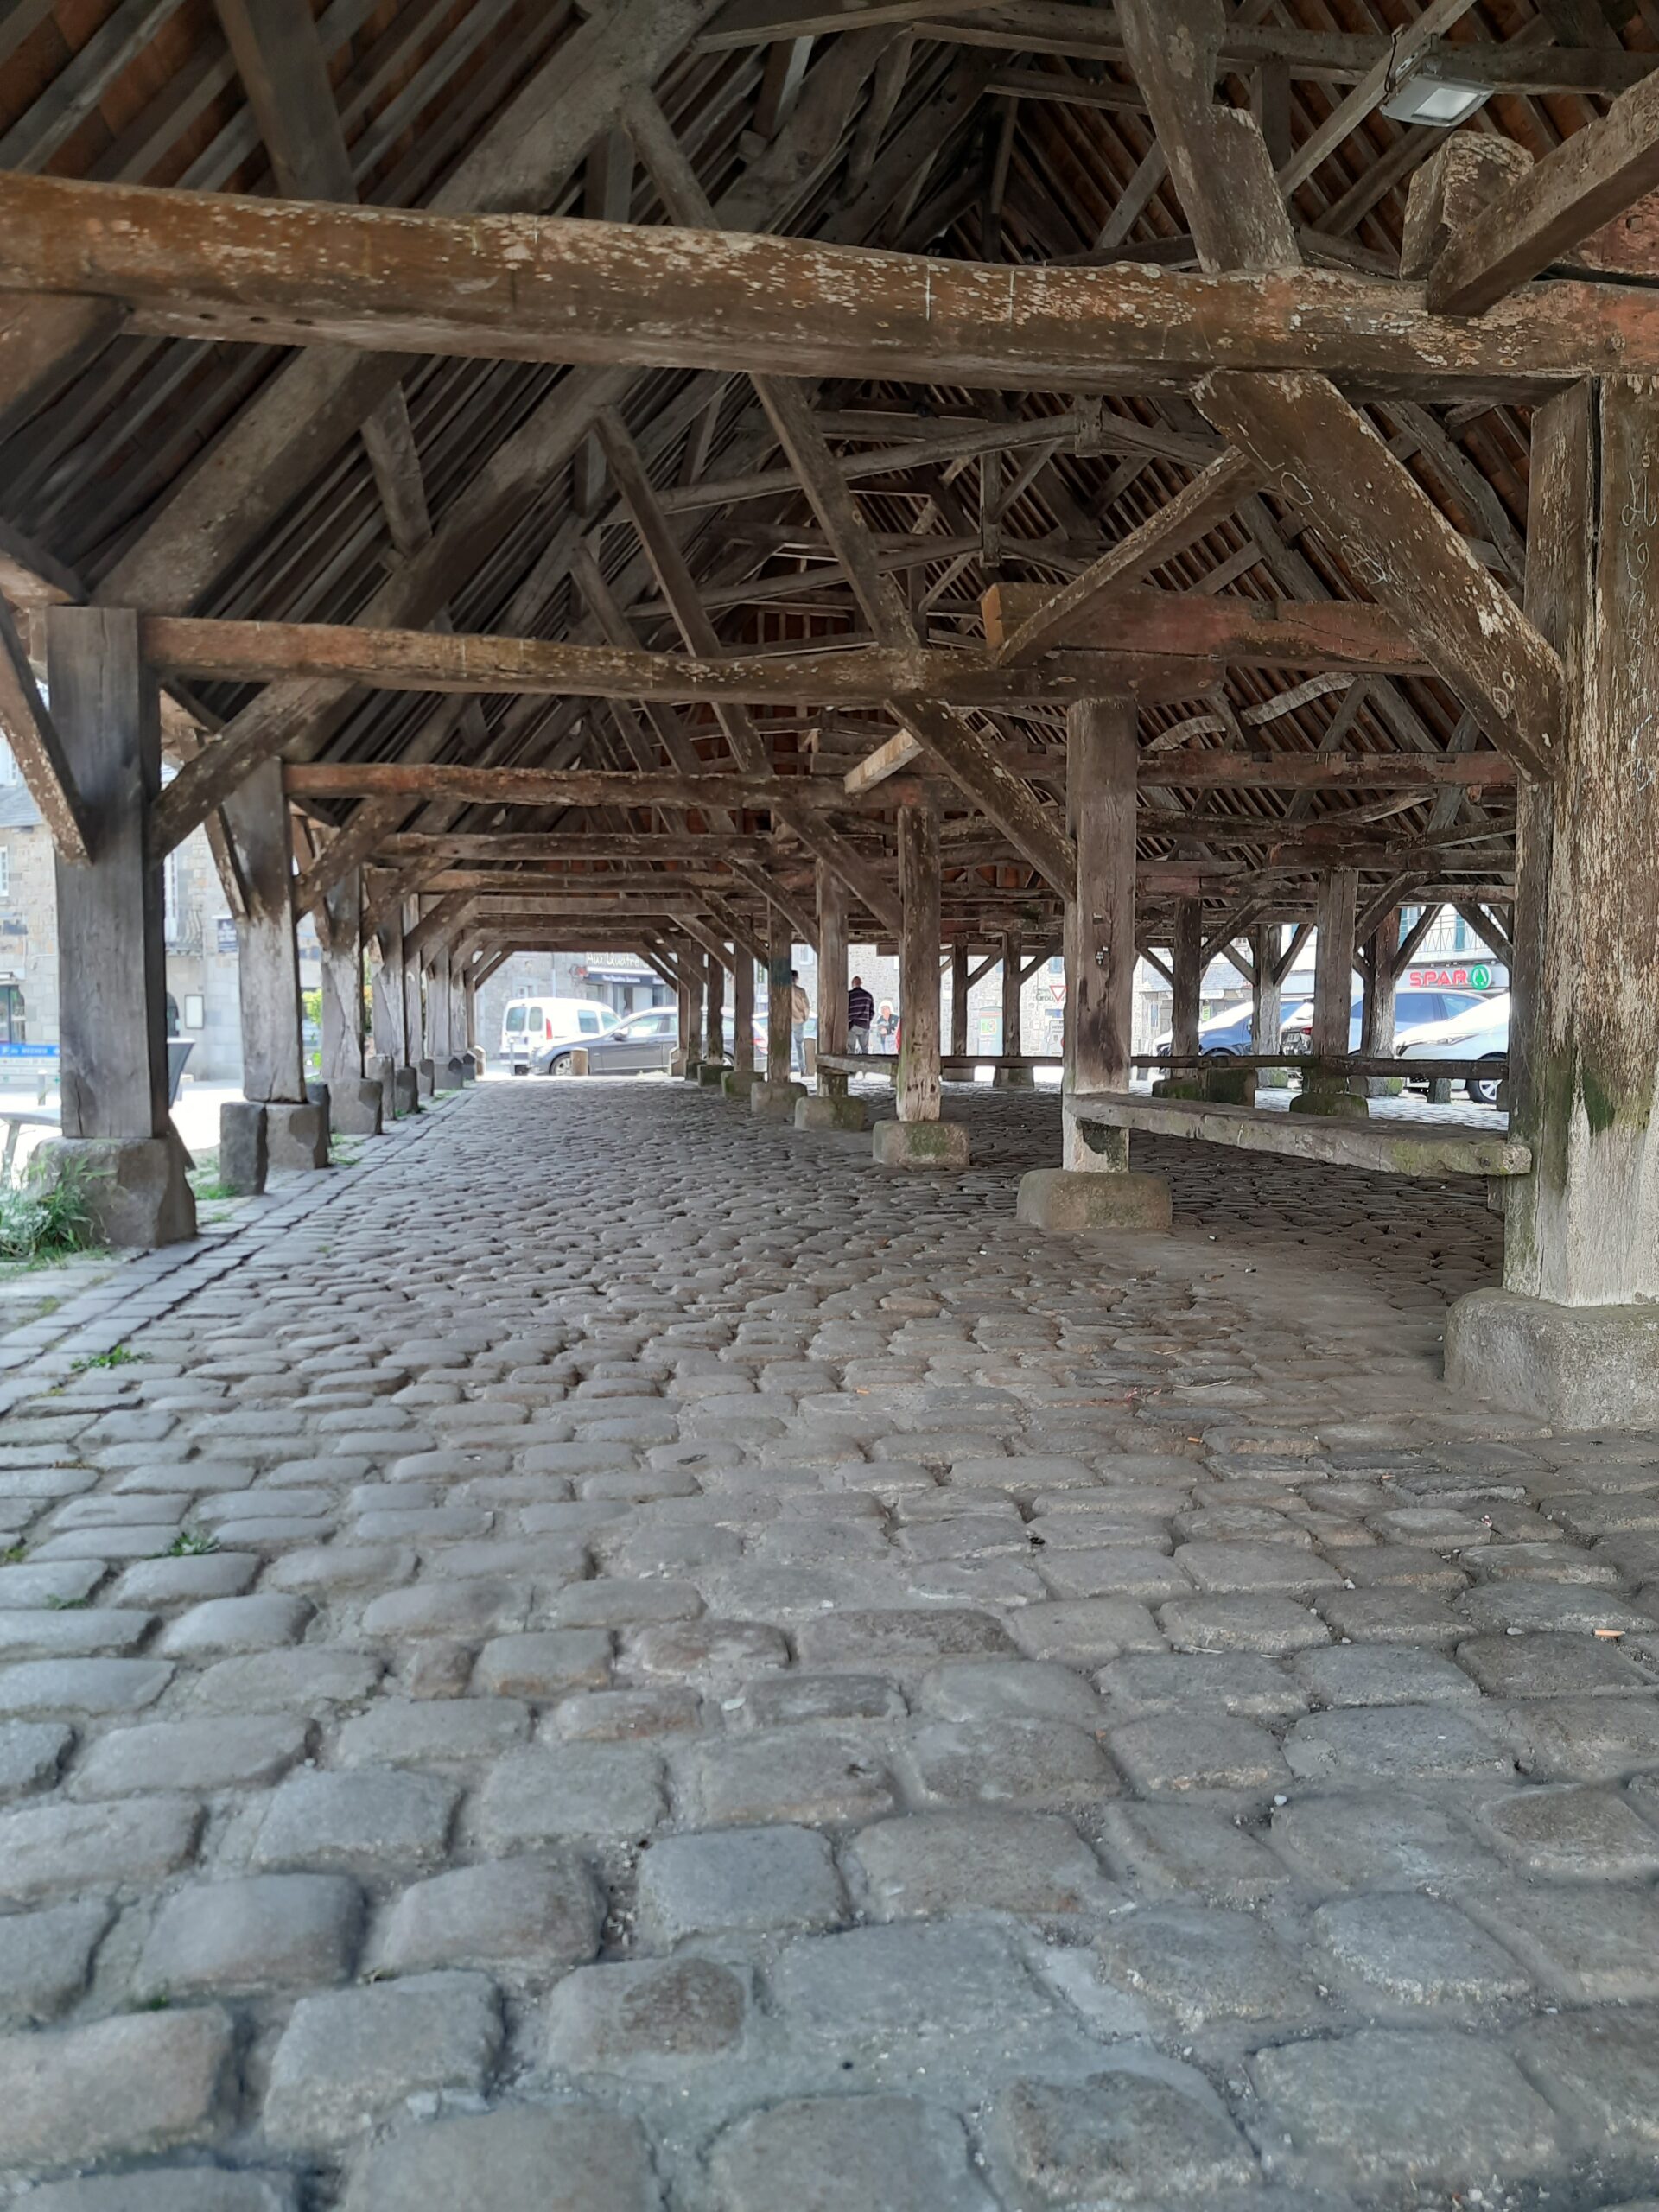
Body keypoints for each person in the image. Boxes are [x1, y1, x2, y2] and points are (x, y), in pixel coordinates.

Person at [847, 975, 874, 1054]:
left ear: (852, 984)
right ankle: (866, 1065)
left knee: (851, 1049)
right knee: (865, 1050)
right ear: (861, 983)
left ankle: (850, 1065)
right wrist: (867, 1021)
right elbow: (872, 1012)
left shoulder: (849, 995)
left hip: (852, 1025)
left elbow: (845, 1010)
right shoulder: (868, 996)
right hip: (864, 1025)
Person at [790, 968, 810, 1074]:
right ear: (796, 979)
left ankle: (785, 1066)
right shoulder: (801, 992)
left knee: (786, 1045)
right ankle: (802, 1069)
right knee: (799, 1045)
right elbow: (806, 1007)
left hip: (786, 1021)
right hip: (798, 1021)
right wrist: (805, 1017)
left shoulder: (783, 991)